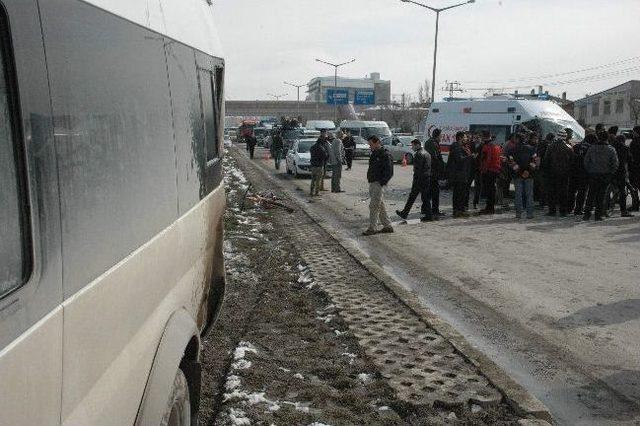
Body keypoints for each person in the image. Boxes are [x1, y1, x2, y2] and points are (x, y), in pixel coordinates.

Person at [583, 131, 619, 221]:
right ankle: (598, 215)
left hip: (593, 174)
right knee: (601, 195)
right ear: (607, 138)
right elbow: (615, 164)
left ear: (598, 138)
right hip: (605, 175)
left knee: (590, 195)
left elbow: (586, 161)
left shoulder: (591, 148)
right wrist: (611, 173)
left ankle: (586, 214)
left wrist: (589, 171)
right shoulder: (611, 149)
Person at [363, 135, 394, 236]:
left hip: (378, 183)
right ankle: (387, 225)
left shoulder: (384, 154)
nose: (370, 146)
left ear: (377, 143)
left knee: (374, 206)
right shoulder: (374, 153)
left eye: (371, 144)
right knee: (380, 204)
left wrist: (382, 182)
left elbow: (389, 171)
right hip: (373, 182)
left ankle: (373, 227)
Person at [396, 139, 433, 221]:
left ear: (417, 145)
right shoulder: (427, 153)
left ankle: (405, 213)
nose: (412, 148)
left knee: (412, 197)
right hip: (427, 177)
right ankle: (428, 215)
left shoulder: (418, 154)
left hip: (419, 179)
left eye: (412, 145)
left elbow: (417, 169)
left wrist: (415, 180)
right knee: (425, 198)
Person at [505, 133, 537, 219]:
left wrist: (520, 172)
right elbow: (534, 161)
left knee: (518, 194)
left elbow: (511, 163)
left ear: (517, 139)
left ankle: (518, 213)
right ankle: (529, 214)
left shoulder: (512, 150)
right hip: (529, 175)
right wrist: (528, 171)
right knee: (529, 195)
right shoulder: (531, 149)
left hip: (517, 176)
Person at [542, 130, 574, 216]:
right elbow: (572, 161)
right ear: (565, 137)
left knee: (552, 192)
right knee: (563, 192)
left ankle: (552, 211)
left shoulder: (551, 146)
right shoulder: (569, 147)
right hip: (564, 174)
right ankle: (563, 211)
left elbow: (546, 160)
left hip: (552, 172)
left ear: (557, 136)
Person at [447, 131, 473, 218]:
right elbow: (459, 160)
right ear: (460, 138)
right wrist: (470, 157)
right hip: (459, 174)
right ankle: (458, 210)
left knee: (461, 192)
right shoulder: (456, 147)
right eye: (465, 137)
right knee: (459, 193)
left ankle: (460, 209)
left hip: (463, 173)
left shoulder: (461, 146)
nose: (466, 139)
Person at [567, 133, 594, 215]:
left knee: (571, 191)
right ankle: (578, 209)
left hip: (573, 172)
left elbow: (570, 159)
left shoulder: (575, 146)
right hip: (584, 173)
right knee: (582, 192)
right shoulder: (590, 148)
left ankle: (569, 208)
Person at [478, 131, 502, 214]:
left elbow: (486, 160)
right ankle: (490, 208)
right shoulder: (496, 146)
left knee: (489, 190)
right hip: (496, 170)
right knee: (492, 189)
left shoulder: (486, 146)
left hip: (488, 171)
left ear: (483, 137)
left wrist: (483, 170)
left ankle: (489, 208)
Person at [611, 134, 634, 217]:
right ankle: (623, 211)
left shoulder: (612, 147)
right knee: (622, 192)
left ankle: (604, 209)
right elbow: (630, 161)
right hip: (621, 173)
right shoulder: (625, 148)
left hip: (611, 172)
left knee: (608, 192)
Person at [424, 128, 445, 217]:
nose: (442, 137)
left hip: (430, 171)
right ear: (437, 136)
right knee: (435, 192)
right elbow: (435, 158)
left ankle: (426, 208)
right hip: (433, 172)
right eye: (441, 135)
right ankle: (434, 210)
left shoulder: (430, 142)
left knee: (430, 192)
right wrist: (443, 167)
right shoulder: (433, 144)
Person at [535, 133, 554, 207]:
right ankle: (544, 202)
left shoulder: (540, 144)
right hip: (547, 168)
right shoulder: (549, 146)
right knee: (546, 186)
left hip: (540, 168)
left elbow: (538, 156)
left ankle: (541, 201)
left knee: (542, 186)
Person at [628, 126, 640, 211]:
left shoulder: (634, 142)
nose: (632, 133)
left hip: (635, 168)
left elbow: (631, 155)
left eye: (633, 132)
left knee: (634, 187)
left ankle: (635, 205)